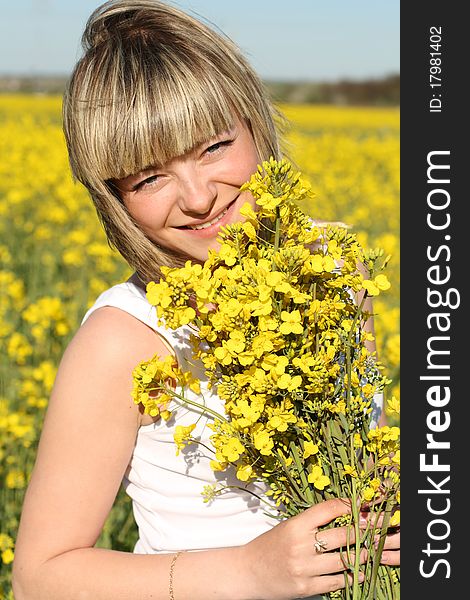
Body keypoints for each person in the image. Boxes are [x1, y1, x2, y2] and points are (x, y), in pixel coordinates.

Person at [12, 1, 400, 599]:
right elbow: (41, 578)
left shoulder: (334, 267)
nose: (197, 197)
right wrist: (249, 572)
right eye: (147, 178)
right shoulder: (123, 339)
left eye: (213, 147)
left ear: (255, 121)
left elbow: (360, 455)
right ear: (114, 197)